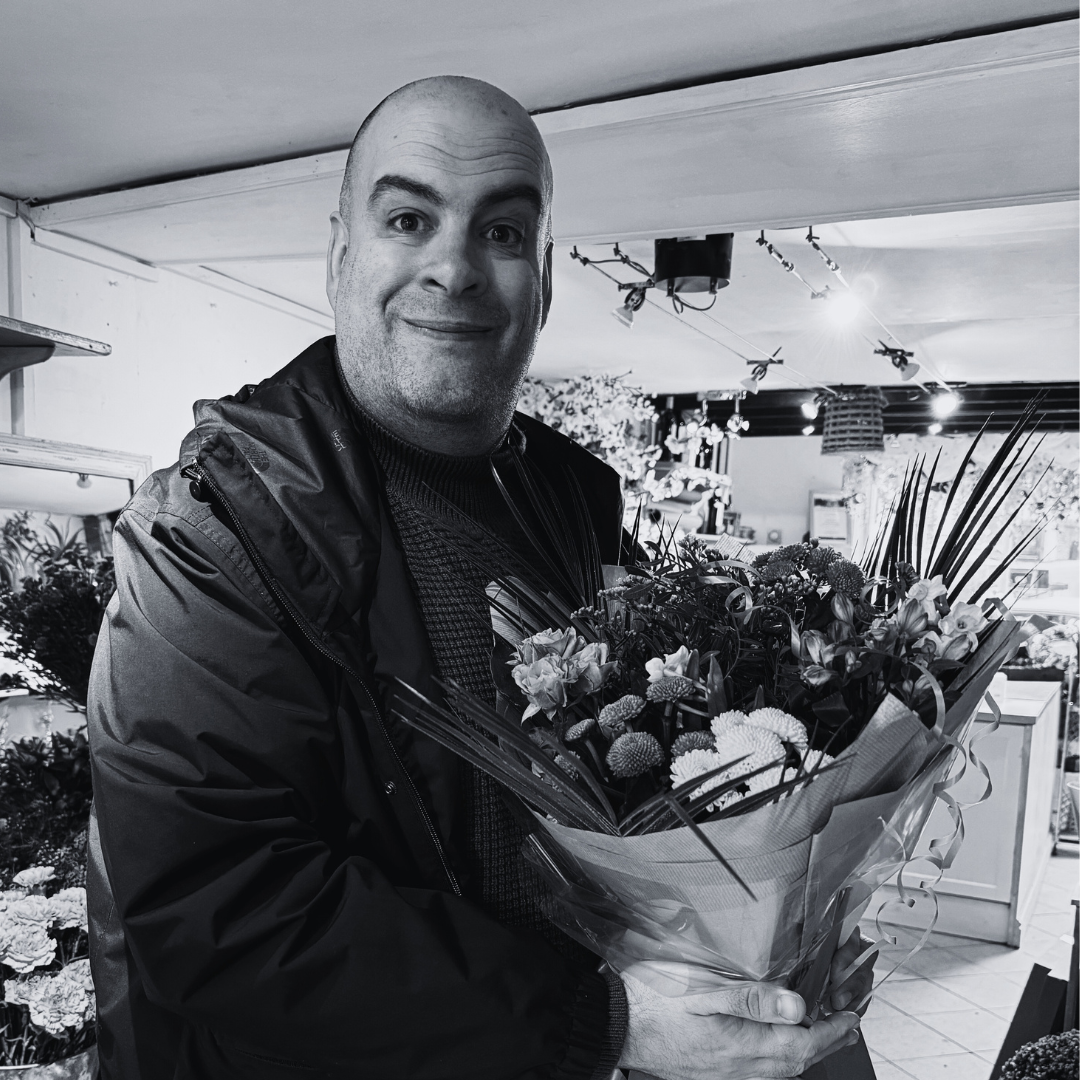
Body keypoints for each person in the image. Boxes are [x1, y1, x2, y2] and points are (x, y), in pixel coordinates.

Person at [87, 76, 870, 1079]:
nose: (453, 268)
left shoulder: (573, 506)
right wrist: (605, 1023)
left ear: (542, 275)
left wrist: (774, 935)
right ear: (339, 255)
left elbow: (633, 793)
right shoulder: (213, 529)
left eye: (502, 231)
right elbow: (219, 905)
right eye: (409, 218)